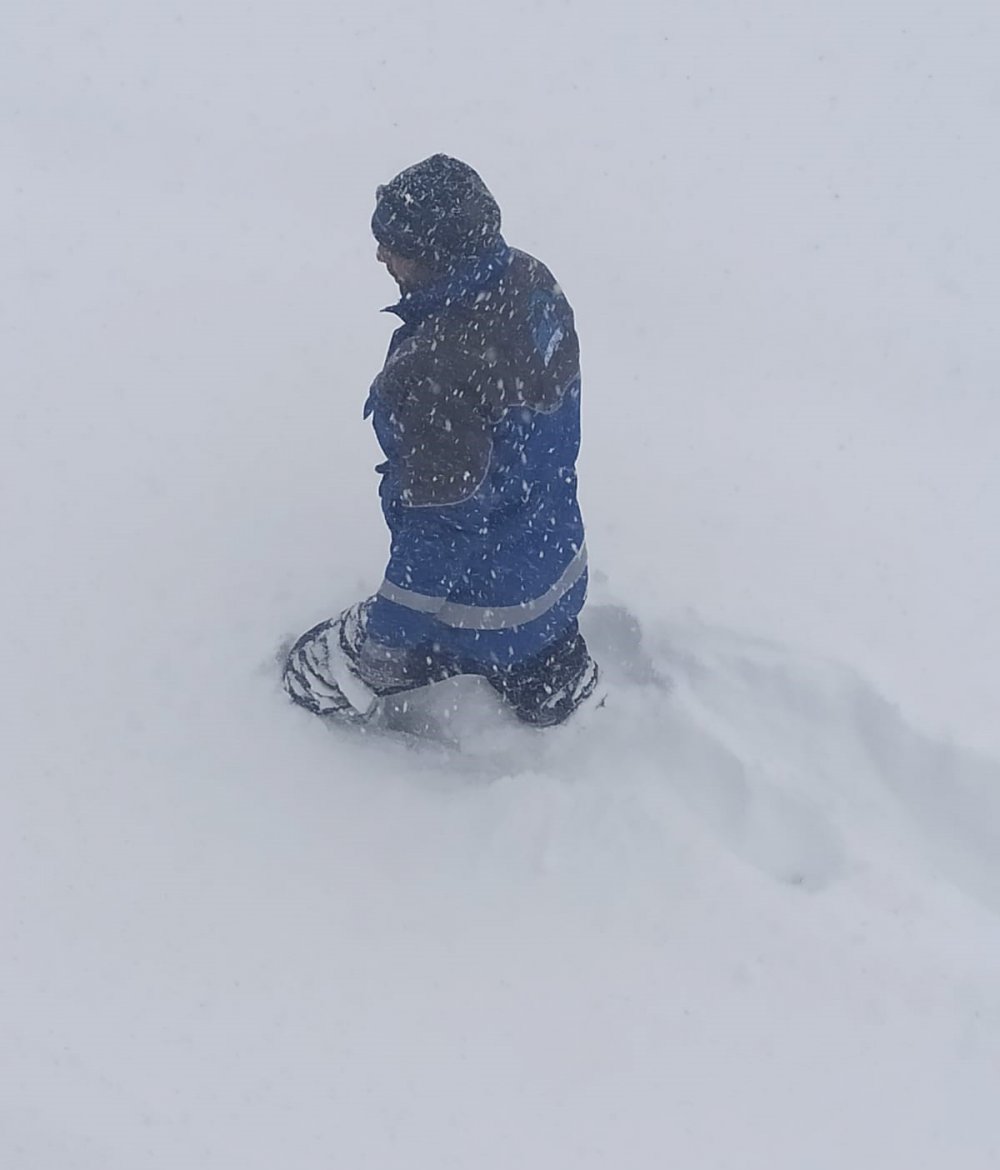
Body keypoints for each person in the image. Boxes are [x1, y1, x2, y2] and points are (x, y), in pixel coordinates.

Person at [283, 154, 598, 728]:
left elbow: (440, 529)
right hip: (556, 562)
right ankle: (549, 674)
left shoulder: (439, 372)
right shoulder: (528, 281)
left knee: (314, 673)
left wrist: (386, 642)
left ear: (438, 257)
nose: (381, 255)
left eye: (395, 246)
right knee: (534, 645)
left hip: (485, 605)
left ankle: (407, 705)